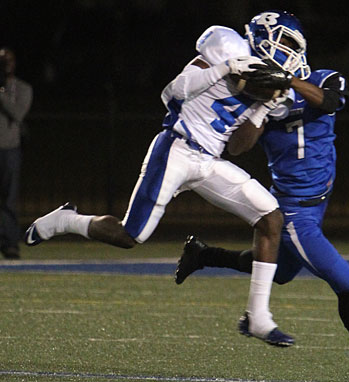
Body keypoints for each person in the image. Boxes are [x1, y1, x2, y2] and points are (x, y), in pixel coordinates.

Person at [24, 26, 296, 346]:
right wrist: (225, 69)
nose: (289, 54)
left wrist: (262, 108)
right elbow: (173, 91)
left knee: (270, 218)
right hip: (177, 149)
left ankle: (258, 318)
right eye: (287, 42)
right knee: (131, 236)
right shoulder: (225, 49)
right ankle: (65, 220)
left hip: (209, 162)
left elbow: (237, 147)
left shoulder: (268, 90)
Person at [174, 10, 349, 382]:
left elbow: (332, 100)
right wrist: (261, 107)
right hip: (294, 211)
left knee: (282, 273)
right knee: (348, 283)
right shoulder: (257, 98)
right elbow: (238, 147)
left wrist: (288, 81)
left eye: (289, 42)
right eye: (280, 42)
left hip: (318, 202)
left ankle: (203, 254)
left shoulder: (322, 77)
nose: (285, 49)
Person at [0, 47, 33, 259]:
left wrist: (1, 95)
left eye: (8, 61)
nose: (5, 65)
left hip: (9, 150)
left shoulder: (22, 88)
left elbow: (18, 113)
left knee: (9, 200)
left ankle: (10, 243)